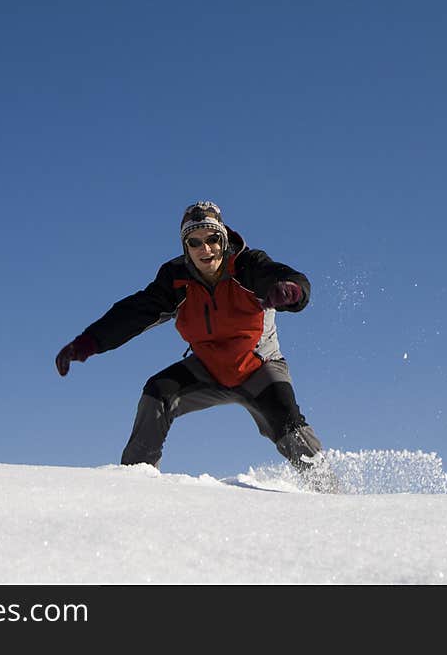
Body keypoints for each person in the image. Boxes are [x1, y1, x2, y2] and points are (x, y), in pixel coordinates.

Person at [55, 200, 327, 479]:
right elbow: (133, 313)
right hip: (208, 369)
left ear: (223, 238)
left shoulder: (248, 266)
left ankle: (329, 492)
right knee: (157, 393)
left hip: (258, 367)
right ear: (186, 247)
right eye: (194, 242)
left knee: (286, 419)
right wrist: (88, 343)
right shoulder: (176, 280)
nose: (205, 249)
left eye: (212, 239)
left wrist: (292, 291)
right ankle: (135, 480)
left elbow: (287, 278)